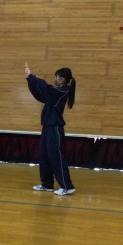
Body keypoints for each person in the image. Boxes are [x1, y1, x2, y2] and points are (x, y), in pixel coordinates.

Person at [25, 64, 77, 195]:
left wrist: (32, 76)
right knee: (45, 157)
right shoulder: (54, 93)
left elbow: (45, 87)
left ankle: (67, 186)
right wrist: (29, 80)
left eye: (56, 77)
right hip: (47, 128)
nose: (54, 79)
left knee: (56, 157)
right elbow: (39, 94)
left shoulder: (61, 92)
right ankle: (47, 184)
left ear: (62, 79)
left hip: (55, 129)